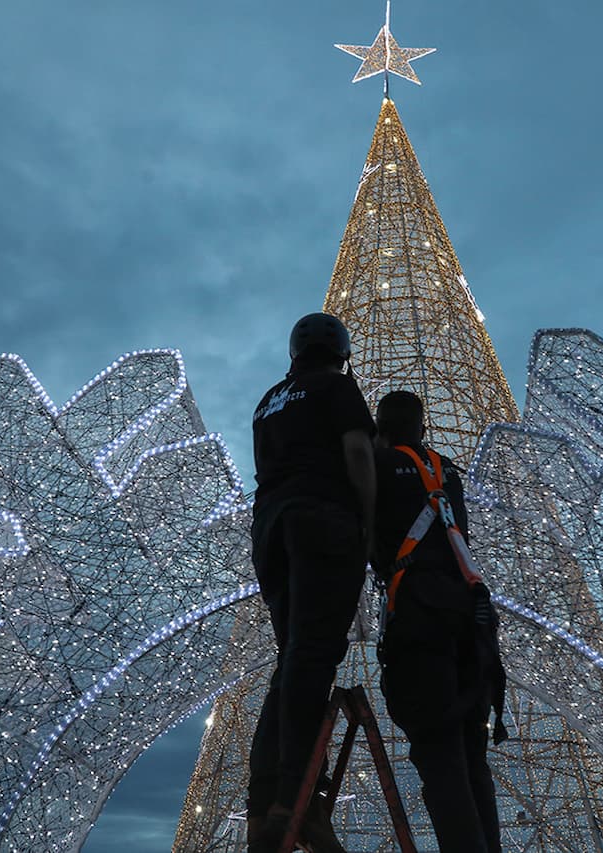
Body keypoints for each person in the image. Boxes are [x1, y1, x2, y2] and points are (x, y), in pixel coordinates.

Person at [247, 312, 376, 853]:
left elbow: (264, 467)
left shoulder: (268, 400)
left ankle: (267, 799)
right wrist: (368, 524)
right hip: (323, 520)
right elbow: (356, 452)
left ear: (294, 352)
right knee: (314, 655)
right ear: (341, 351)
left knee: (293, 659)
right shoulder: (339, 386)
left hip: (270, 528)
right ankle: (300, 797)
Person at [371, 390, 506, 853]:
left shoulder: (381, 466)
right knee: (473, 761)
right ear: (424, 429)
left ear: (381, 431)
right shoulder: (446, 471)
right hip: (472, 619)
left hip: (420, 618)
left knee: (440, 757)